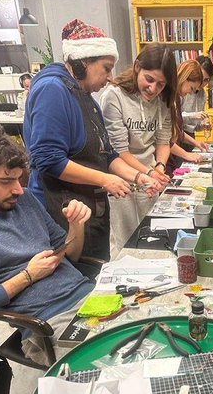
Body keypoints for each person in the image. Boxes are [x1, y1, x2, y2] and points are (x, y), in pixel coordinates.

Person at [23, 18, 162, 261]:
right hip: (60, 211)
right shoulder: (52, 89)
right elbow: (48, 159)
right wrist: (104, 179)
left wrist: (141, 177)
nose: (110, 77)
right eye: (106, 68)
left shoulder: (84, 94)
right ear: (83, 61)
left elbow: (106, 155)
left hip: (87, 208)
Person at [0, 127, 95, 364]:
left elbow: (71, 256)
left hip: (91, 296)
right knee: (106, 367)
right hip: (50, 322)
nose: (18, 189)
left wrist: (76, 225)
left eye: (18, 179)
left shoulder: (25, 200)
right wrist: (28, 276)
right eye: (6, 181)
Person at [99, 42, 178, 251]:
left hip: (150, 175)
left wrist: (159, 168)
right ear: (137, 67)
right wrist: (150, 172)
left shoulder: (163, 99)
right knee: (125, 241)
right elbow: (119, 151)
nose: (153, 88)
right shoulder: (114, 96)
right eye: (149, 79)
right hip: (121, 178)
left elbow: (162, 141)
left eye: (160, 84)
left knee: (152, 235)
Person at [167, 59, 207, 171]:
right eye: (192, 88)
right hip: (165, 157)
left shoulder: (176, 99)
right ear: (185, 77)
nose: (191, 93)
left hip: (173, 155)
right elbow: (164, 139)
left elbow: (177, 131)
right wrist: (186, 154)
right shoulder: (167, 99)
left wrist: (195, 142)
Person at [180, 55, 213, 152]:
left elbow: (194, 125)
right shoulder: (182, 90)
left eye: (206, 80)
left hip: (189, 138)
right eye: (201, 79)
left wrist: (202, 125)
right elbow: (175, 120)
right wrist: (194, 115)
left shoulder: (202, 94)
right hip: (178, 136)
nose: (202, 84)